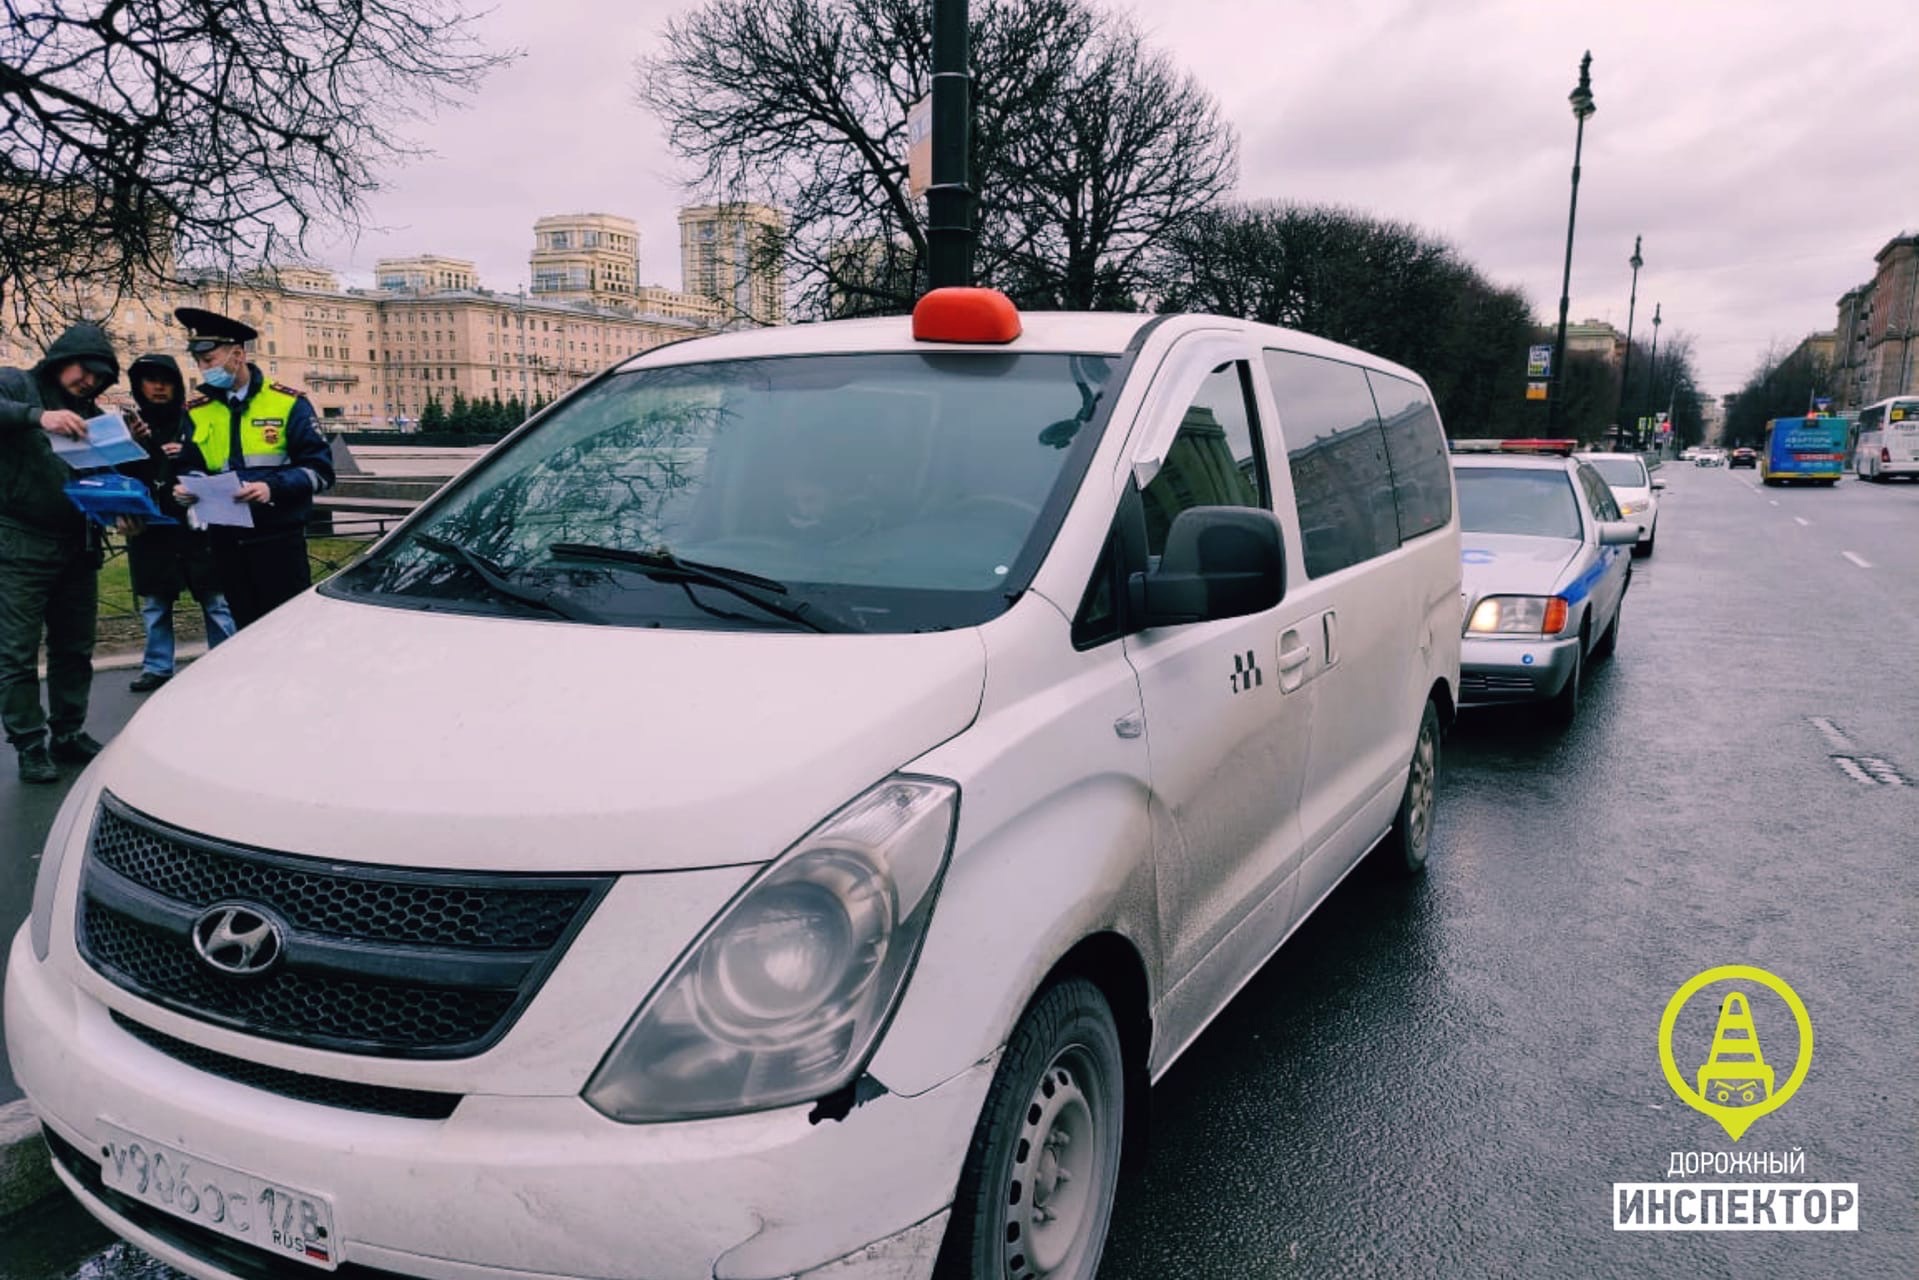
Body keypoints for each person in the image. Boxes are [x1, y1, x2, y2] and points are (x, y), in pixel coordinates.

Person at [0, 323, 120, 782]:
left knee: (74, 647)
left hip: (78, 544)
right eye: (85, 369)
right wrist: (37, 417)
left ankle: (68, 732)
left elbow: (103, 476)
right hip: (19, 542)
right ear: (61, 358)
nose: (90, 381)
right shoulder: (17, 384)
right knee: (17, 651)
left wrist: (119, 510)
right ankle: (30, 742)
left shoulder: (93, 416)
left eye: (100, 378)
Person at [169, 308, 334, 627]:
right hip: (225, 542)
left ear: (238, 354)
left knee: (288, 631)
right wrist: (188, 487)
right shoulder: (197, 410)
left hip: (277, 542)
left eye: (209, 359)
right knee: (244, 632)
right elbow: (190, 463)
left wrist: (271, 487)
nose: (203, 369)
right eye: (200, 362)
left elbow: (321, 471)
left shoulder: (287, 403)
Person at [124, 353, 236, 690]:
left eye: (166, 380)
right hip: (151, 528)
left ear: (176, 384)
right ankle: (157, 666)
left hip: (196, 525)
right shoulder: (130, 425)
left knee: (215, 599)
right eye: (150, 380)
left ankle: (228, 659)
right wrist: (134, 444)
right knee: (155, 604)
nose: (158, 387)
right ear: (138, 386)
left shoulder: (194, 418)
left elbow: (219, 461)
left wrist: (187, 454)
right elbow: (120, 474)